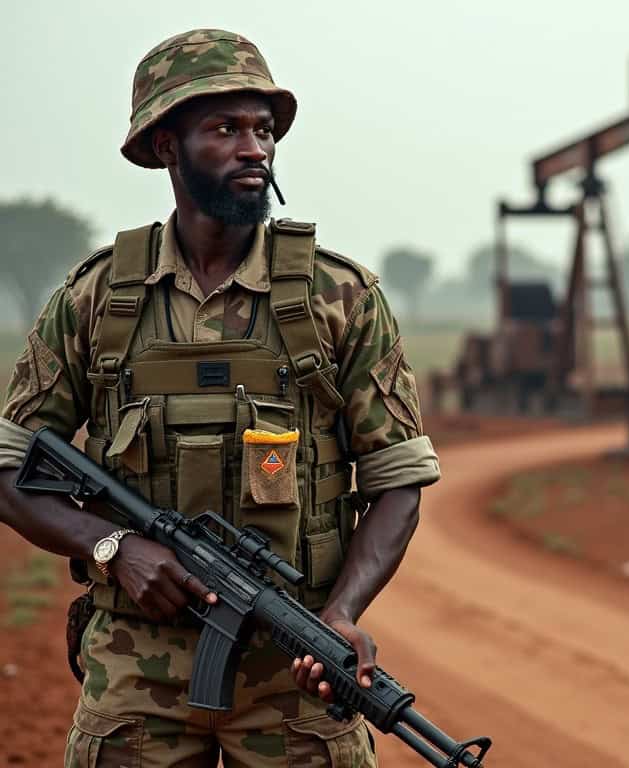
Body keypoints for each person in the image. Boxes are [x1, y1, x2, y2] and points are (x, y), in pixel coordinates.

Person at [0, 29, 439, 767]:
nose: (254, 149)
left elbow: (398, 482)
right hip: (135, 678)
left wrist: (339, 617)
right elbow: (9, 470)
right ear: (167, 145)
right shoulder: (98, 298)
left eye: (264, 130)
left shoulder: (339, 296)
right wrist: (114, 546)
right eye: (225, 128)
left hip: (294, 676)